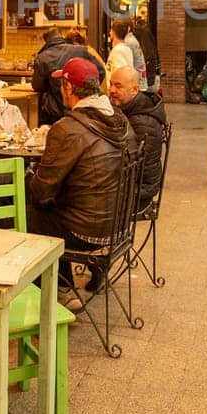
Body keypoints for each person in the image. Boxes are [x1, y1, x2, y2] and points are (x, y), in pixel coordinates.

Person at [28, 57, 133, 298]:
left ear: (67, 87)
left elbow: (41, 191)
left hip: (86, 232)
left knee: (34, 209)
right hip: (120, 226)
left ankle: (59, 291)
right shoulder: (121, 120)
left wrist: (33, 174)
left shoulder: (67, 128)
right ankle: (77, 278)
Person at [108, 64, 167, 210]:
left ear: (135, 90)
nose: (111, 90)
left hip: (138, 195)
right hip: (133, 188)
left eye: (118, 86)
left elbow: (135, 168)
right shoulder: (130, 109)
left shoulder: (141, 123)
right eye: (111, 84)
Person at [31, 26, 97, 126]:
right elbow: (100, 71)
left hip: (54, 113)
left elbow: (37, 86)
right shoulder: (81, 50)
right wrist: (88, 88)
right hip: (83, 108)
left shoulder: (42, 58)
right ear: (61, 36)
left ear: (46, 41)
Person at [106, 19, 148, 89]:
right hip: (139, 83)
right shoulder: (131, 40)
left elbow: (121, 72)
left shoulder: (125, 44)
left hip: (136, 85)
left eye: (111, 30)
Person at [131, 12, 162, 90]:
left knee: (147, 88)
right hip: (150, 64)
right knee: (150, 88)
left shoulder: (141, 33)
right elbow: (153, 50)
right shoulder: (147, 32)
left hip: (147, 65)